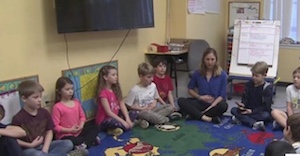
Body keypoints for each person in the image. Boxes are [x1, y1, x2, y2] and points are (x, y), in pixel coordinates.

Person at [12, 80, 88, 156]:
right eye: (35, 97)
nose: (39, 100)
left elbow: (49, 132)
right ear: (24, 99)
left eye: (40, 97)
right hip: (29, 149)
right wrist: (30, 145)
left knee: (68, 143)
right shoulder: (18, 118)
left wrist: (45, 148)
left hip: (45, 145)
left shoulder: (44, 112)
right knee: (36, 154)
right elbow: (14, 140)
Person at [178, 48, 228, 124]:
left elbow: (222, 95)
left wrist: (212, 105)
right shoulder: (197, 73)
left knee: (224, 106)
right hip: (201, 102)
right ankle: (207, 118)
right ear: (203, 60)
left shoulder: (222, 75)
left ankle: (195, 115)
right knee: (181, 100)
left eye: (212, 59)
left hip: (215, 104)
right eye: (207, 59)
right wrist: (200, 97)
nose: (210, 62)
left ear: (216, 60)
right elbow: (190, 89)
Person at [52, 77, 100, 149]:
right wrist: (70, 130)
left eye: (72, 89)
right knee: (73, 141)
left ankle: (85, 144)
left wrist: (81, 126)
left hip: (78, 132)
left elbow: (82, 117)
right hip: (66, 135)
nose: (70, 91)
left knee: (96, 127)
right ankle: (89, 140)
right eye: (67, 89)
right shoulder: (57, 107)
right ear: (59, 91)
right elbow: (55, 126)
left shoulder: (76, 102)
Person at [125, 62, 174, 128]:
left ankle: (146, 121)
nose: (152, 79)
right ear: (141, 76)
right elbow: (128, 105)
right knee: (148, 114)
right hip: (142, 112)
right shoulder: (134, 90)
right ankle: (167, 119)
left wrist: (153, 104)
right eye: (149, 77)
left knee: (169, 107)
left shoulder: (153, 86)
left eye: (152, 77)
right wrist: (141, 108)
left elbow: (155, 97)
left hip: (152, 109)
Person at [231, 61, 273, 131]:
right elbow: (245, 99)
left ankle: (241, 119)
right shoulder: (248, 85)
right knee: (233, 110)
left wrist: (252, 111)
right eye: (253, 75)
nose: (254, 78)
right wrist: (242, 105)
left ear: (264, 75)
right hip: (247, 110)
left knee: (266, 115)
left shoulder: (267, 88)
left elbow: (266, 106)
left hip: (258, 112)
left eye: (257, 76)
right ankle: (254, 123)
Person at [95, 65, 136, 135]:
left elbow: (122, 104)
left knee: (134, 113)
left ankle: (117, 128)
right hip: (105, 120)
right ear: (105, 77)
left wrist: (127, 119)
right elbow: (108, 112)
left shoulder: (115, 89)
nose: (116, 77)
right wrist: (123, 122)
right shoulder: (103, 93)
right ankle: (111, 130)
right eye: (113, 75)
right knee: (122, 125)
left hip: (116, 115)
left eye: (116, 75)